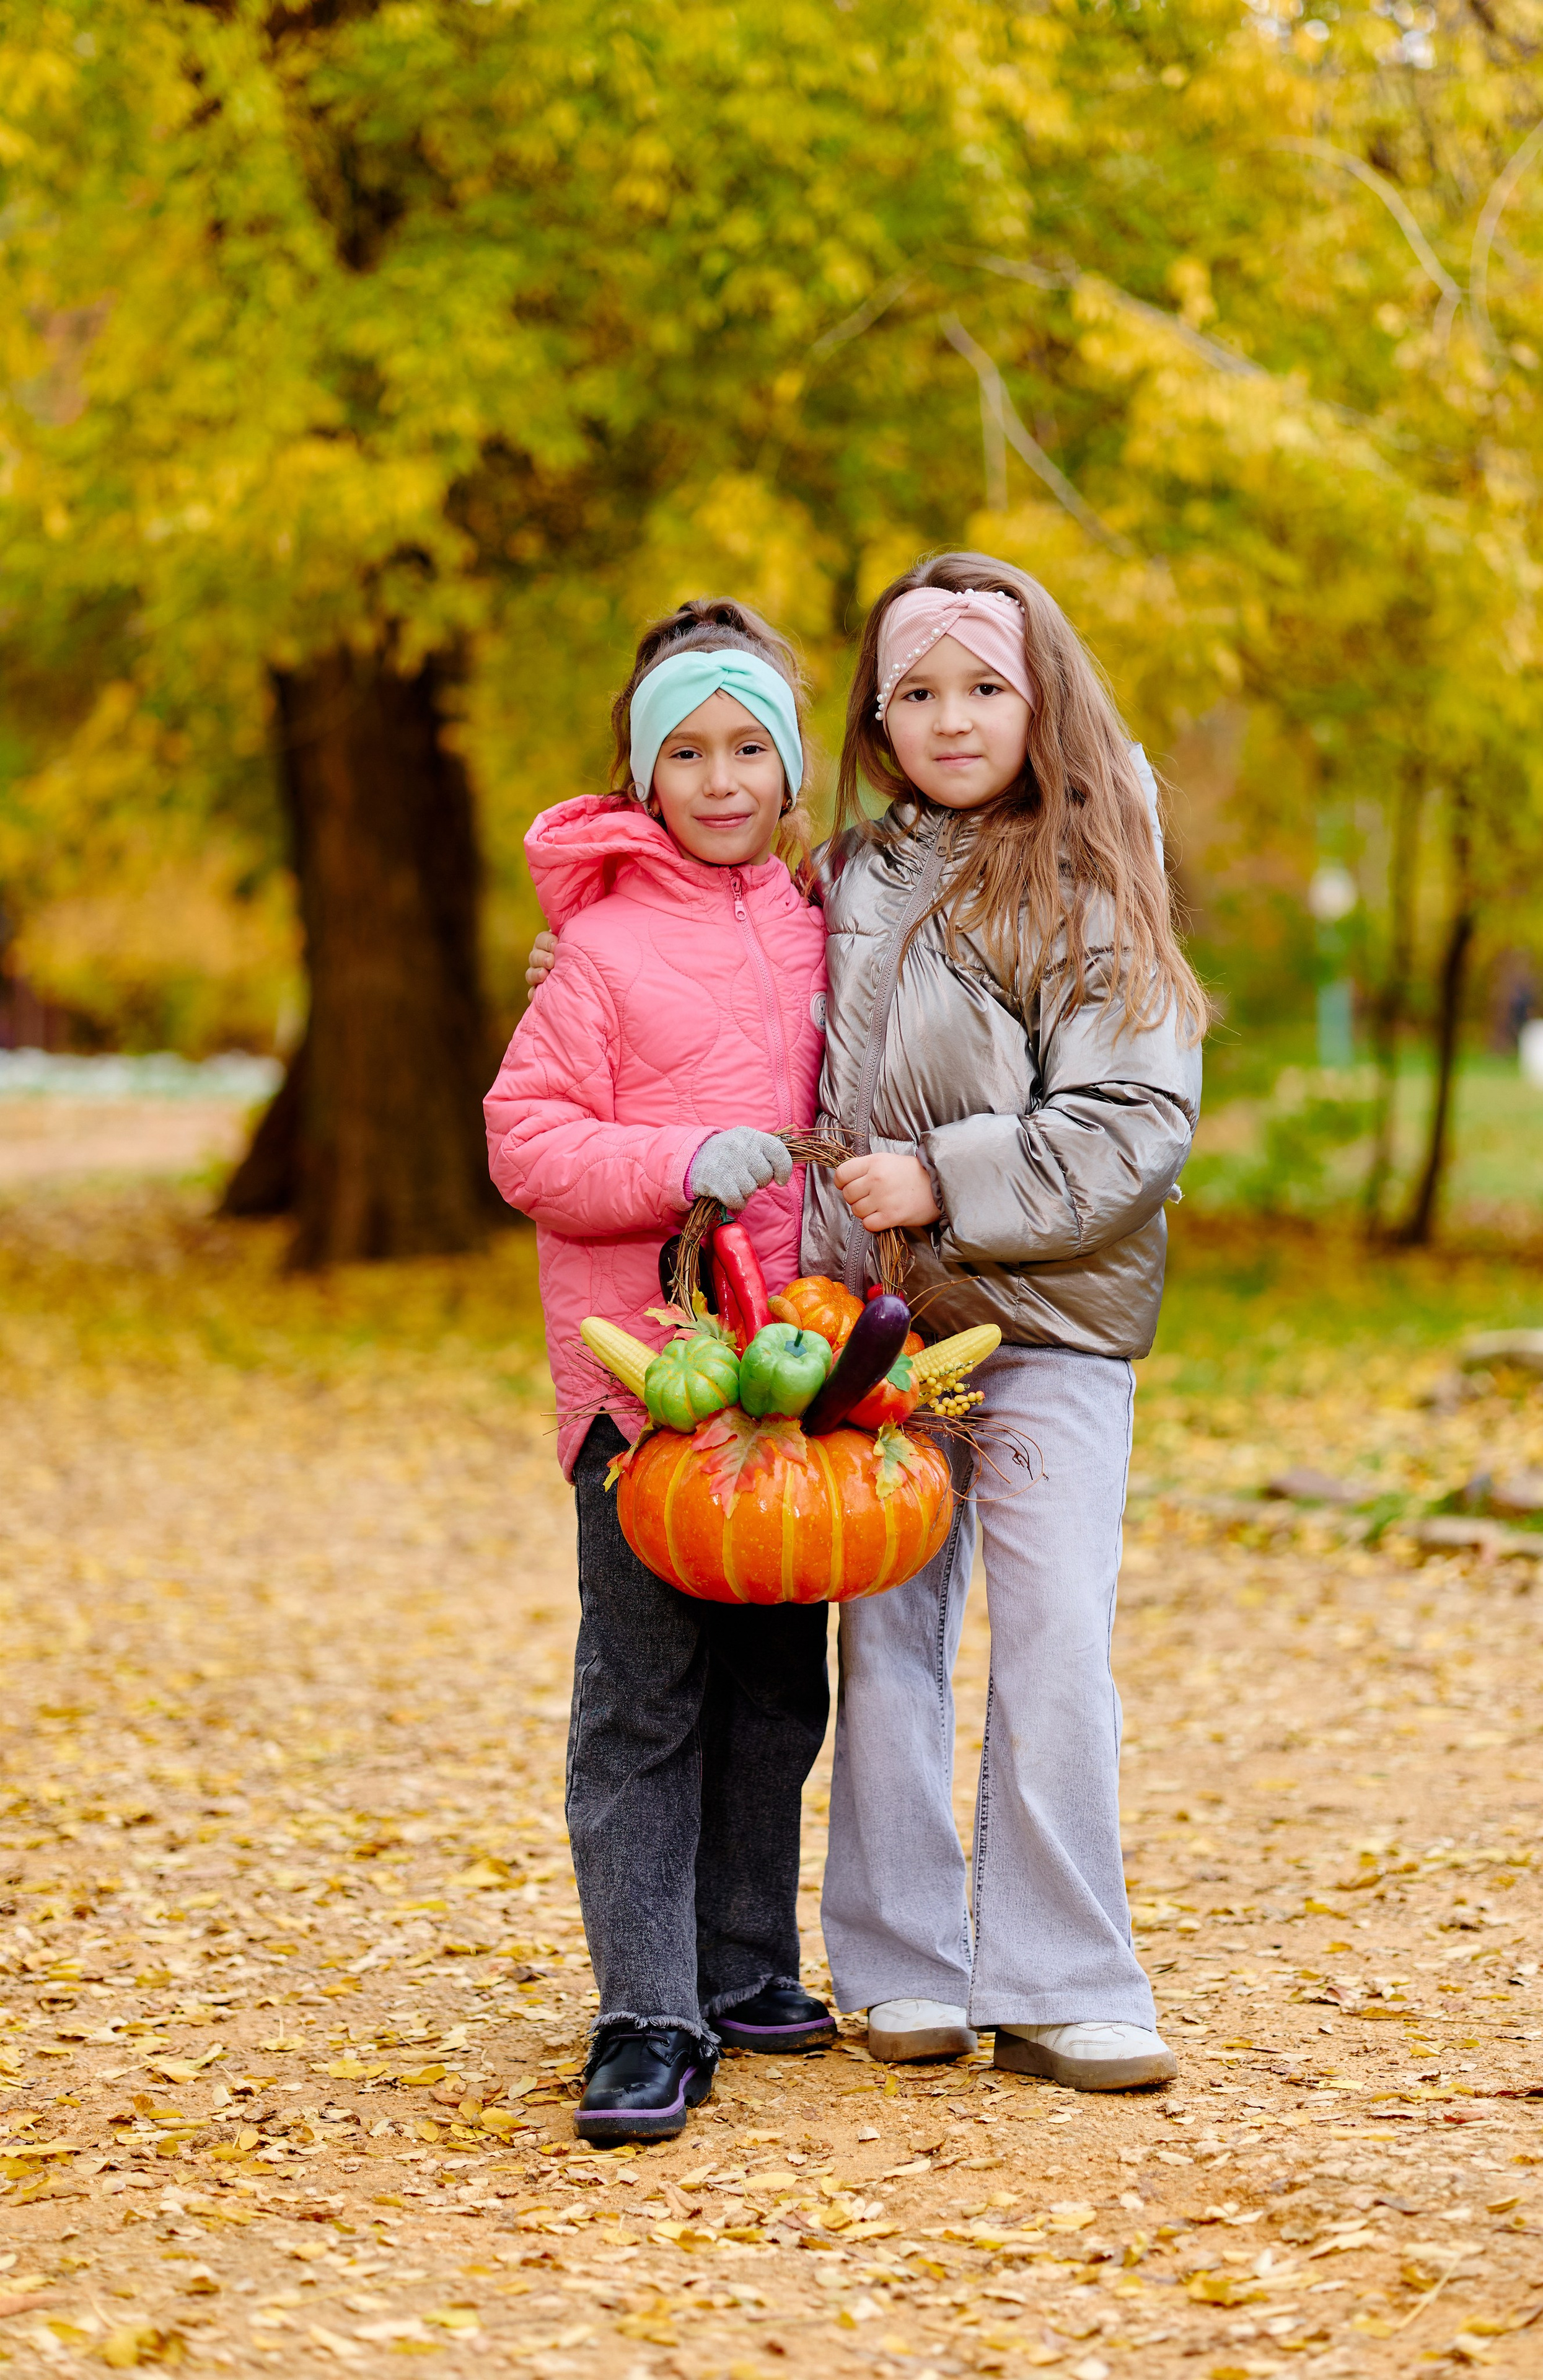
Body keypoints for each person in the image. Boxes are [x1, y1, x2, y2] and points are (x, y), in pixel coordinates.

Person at [806, 552, 1203, 2088]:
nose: (952, 718)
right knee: (885, 1633)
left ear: (1042, 700)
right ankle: (906, 1963)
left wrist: (944, 1179)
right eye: (917, 692)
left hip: (1044, 1328)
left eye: (985, 686)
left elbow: (1134, 1121)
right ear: (877, 715)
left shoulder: (1094, 880)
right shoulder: (845, 881)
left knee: (1048, 1641)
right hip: (877, 1334)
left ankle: (1064, 1974)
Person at [484, 597, 834, 2146]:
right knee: (646, 1696)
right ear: (642, 776)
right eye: (683, 751)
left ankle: (745, 1964)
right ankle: (644, 2010)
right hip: (647, 1390)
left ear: (792, 767)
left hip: (793, 1385)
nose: (718, 775)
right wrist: (682, 1153)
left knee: (774, 1690)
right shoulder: (605, 954)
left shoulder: (828, 927)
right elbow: (528, 1140)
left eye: (748, 745)